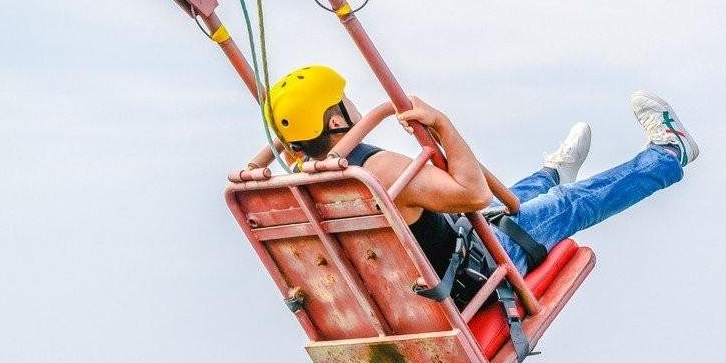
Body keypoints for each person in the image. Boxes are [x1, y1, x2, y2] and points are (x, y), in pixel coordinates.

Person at [264, 65, 698, 279]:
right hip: (479, 268)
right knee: (565, 206)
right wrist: (443, 125)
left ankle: (550, 174)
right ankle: (669, 154)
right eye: (344, 99)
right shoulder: (375, 170)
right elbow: (469, 195)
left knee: (505, 200)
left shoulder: (307, 181)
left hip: (442, 262)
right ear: (337, 121)